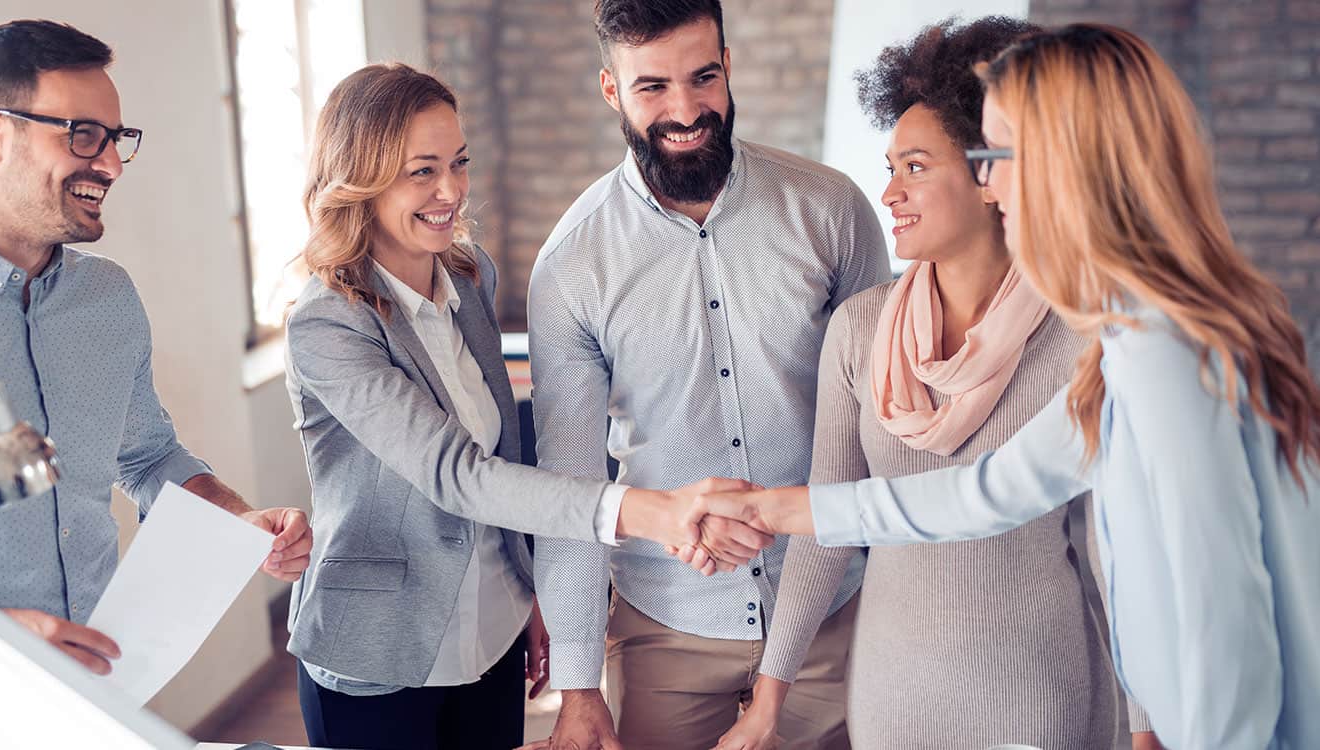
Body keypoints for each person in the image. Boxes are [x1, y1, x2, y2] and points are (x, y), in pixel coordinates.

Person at [687, 23, 1320, 750]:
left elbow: (1223, 615)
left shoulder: (1163, 350)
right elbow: (986, 493)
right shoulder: (1127, 335)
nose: (988, 182)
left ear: (1065, 163)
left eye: (994, 156)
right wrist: (772, 509)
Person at [0, 20, 313, 750]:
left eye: (118, 138)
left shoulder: (107, 299)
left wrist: (235, 519)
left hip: (87, 714)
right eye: (83, 134)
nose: (111, 163)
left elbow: (145, 458)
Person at [283, 62, 765, 750]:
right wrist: (651, 511)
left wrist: (536, 588)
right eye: (421, 171)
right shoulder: (328, 324)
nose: (450, 190)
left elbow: (509, 449)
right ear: (362, 178)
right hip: (379, 654)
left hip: (494, 636)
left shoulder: (469, 276)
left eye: (459, 162)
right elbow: (459, 476)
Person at [709, 17, 1145, 750]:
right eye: (889, 168)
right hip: (891, 688)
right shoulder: (858, 328)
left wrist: (1146, 726)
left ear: (989, 174)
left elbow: (1113, 550)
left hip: (1036, 688)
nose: (890, 193)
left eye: (914, 167)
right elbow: (829, 526)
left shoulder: (1081, 334)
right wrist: (766, 702)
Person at [525, 1, 890, 747]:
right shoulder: (571, 265)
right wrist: (578, 685)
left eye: (703, 77)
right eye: (652, 86)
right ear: (610, 90)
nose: (685, 109)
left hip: (832, 616)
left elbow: (872, 432)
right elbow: (569, 482)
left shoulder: (833, 211)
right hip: (667, 626)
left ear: (730, 67)